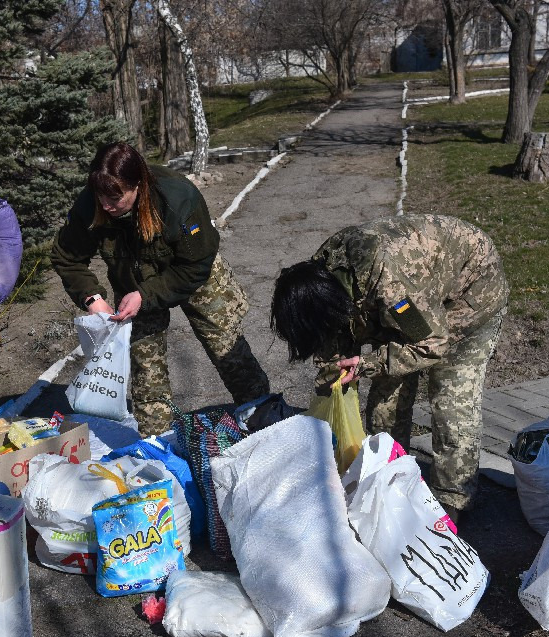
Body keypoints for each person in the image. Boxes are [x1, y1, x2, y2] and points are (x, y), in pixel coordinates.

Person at [270, 214, 509, 523]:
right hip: (412, 296)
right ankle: (391, 482)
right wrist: (331, 390)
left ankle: (450, 504)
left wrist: (370, 364)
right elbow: (332, 343)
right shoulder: (319, 279)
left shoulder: (391, 284)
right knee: (386, 404)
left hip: (469, 293)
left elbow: (431, 343)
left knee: (451, 405)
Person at [51, 141, 270, 436]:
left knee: (227, 349)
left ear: (137, 185)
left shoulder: (178, 198)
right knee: (146, 370)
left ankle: (262, 418)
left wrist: (146, 294)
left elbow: (196, 264)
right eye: (100, 196)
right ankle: (158, 440)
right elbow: (67, 257)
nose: (106, 205)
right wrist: (93, 298)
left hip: (192, 273)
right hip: (133, 284)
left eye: (115, 197)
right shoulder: (91, 205)